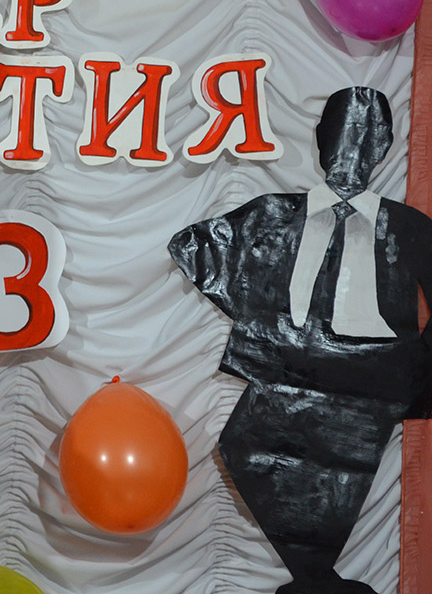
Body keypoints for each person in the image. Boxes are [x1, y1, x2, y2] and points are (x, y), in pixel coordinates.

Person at [169, 87, 432, 594]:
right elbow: (191, 246)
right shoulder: (274, 213)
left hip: (372, 379)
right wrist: (256, 320)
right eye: (343, 137)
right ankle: (316, 579)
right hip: (287, 367)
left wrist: (416, 370)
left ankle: (312, 580)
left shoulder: (407, 226)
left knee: (341, 482)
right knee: (241, 447)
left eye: (368, 139)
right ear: (321, 141)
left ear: (384, 147)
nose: (353, 151)